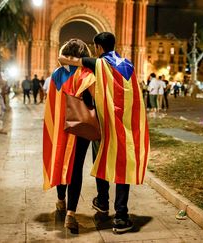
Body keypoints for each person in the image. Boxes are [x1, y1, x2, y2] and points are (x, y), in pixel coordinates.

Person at [59, 32, 150, 234]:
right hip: (126, 124)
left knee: (101, 159)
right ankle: (121, 216)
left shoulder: (97, 63)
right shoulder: (129, 65)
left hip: (105, 124)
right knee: (123, 168)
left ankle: (102, 201)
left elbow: (63, 58)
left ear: (99, 48)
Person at [43, 39, 96, 233]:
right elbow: (95, 100)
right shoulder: (86, 75)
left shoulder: (57, 74)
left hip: (61, 126)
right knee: (76, 167)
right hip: (79, 127)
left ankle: (60, 201)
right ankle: (71, 215)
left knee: (60, 161)